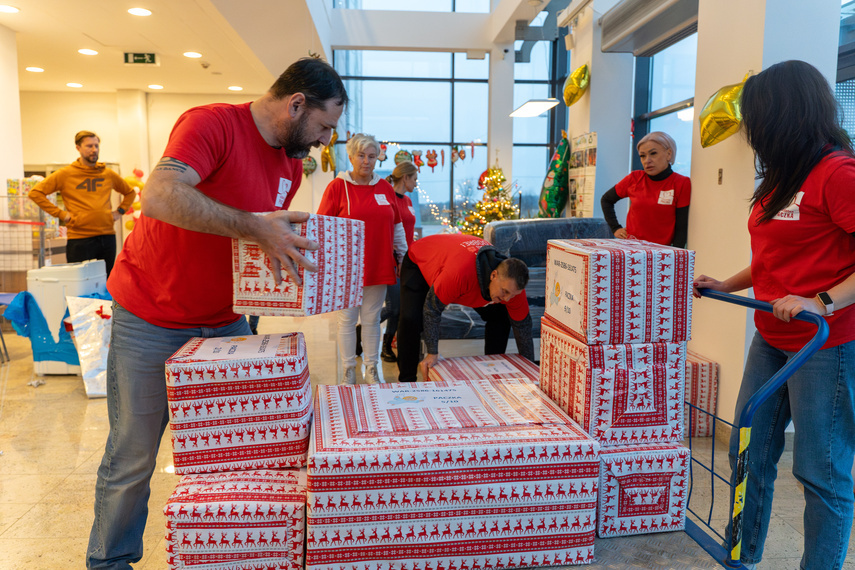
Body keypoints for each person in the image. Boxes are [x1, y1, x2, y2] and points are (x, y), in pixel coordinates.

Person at [85, 57, 347, 570]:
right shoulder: (211, 124)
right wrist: (256, 228)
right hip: (151, 315)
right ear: (296, 104)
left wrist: (286, 254)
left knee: (233, 453)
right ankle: (109, 562)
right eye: (323, 126)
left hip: (226, 322)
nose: (323, 141)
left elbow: (250, 237)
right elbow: (159, 196)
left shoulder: (290, 165)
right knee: (134, 455)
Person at [693, 60, 855, 570]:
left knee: (820, 473)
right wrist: (727, 283)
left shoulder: (838, 173)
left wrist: (821, 301)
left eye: (757, 118)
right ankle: (741, 555)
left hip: (823, 344)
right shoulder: (782, 177)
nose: (751, 131)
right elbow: (771, 257)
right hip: (770, 335)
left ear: (785, 113)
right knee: (749, 454)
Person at [317, 134, 406, 385]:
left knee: (372, 319)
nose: (366, 161)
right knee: (346, 320)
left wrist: (404, 256)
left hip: (378, 264)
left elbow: (397, 227)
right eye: (361, 155)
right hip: (346, 268)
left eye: (371, 156)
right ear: (351, 156)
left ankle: (371, 368)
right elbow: (322, 227)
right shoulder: (338, 187)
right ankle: (348, 369)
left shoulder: (385, 188)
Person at [397, 233, 534, 382]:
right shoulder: (460, 274)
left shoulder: (512, 286)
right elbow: (432, 310)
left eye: (512, 295)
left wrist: (529, 369)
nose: (507, 298)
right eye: (505, 292)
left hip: (455, 263)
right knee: (410, 319)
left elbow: (523, 327)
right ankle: (406, 380)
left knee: (501, 315)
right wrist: (432, 353)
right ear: (493, 275)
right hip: (420, 260)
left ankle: (493, 369)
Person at [28, 130, 136, 276]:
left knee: (108, 281)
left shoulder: (107, 173)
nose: (94, 150)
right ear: (78, 148)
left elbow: (130, 192)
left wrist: (120, 211)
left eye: (96, 146)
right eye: (89, 146)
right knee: (81, 284)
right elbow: (35, 193)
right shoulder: (65, 174)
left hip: (107, 236)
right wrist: (61, 214)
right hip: (80, 238)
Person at [600, 131, 691, 248]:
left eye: (653, 153)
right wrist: (615, 228)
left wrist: (676, 256)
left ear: (669, 154)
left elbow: (681, 227)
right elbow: (606, 200)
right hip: (631, 249)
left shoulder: (681, 183)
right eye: (642, 156)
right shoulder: (634, 178)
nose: (647, 160)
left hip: (661, 253)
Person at [379, 160, 418, 362]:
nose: (416, 183)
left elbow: (409, 231)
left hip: (409, 260)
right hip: (393, 260)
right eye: (415, 179)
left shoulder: (409, 201)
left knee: (400, 307)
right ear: (405, 178)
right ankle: (363, 328)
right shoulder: (388, 198)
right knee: (394, 307)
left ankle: (387, 346)